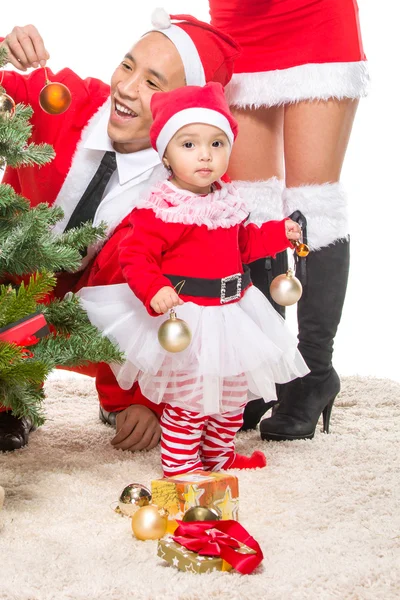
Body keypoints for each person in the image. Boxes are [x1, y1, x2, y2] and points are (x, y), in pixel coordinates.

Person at [0, 9, 241, 452]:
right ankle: (10, 399)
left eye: (152, 83)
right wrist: (4, 52)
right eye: (127, 65)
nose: (126, 89)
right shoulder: (64, 97)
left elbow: (182, 303)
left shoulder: (182, 194)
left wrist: (141, 400)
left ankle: (118, 393)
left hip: (89, 326)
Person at [77, 82, 309, 476]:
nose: (205, 155)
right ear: (165, 153)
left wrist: (277, 233)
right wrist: (155, 289)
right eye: (189, 145)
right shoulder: (162, 208)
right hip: (190, 317)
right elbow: (136, 256)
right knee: (191, 399)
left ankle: (218, 456)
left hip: (233, 311)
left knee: (232, 397)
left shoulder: (226, 201)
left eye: (216, 144)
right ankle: (180, 463)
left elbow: (244, 244)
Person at [209, 0, 370, 439]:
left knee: (313, 206)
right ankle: (265, 371)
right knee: (248, 208)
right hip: (240, 22)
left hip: (314, 15)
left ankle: (315, 372)